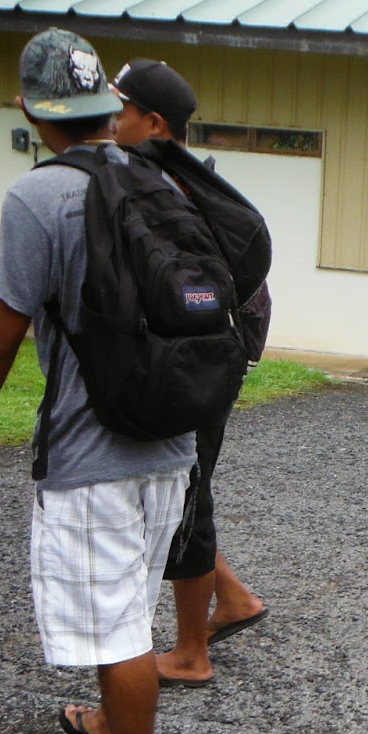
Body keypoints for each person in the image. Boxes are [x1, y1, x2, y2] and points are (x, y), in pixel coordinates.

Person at [0, 29, 195, 734]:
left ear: (31, 110)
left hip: (90, 448)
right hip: (168, 441)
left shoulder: (38, 197)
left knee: (114, 628)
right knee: (131, 608)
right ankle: (112, 727)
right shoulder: (160, 181)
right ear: (111, 106)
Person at [110, 57, 271, 688]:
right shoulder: (182, 179)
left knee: (186, 493)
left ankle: (191, 653)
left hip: (198, 361)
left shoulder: (157, 184)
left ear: (152, 122)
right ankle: (231, 601)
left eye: (119, 111)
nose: (110, 121)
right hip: (214, 353)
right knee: (185, 487)